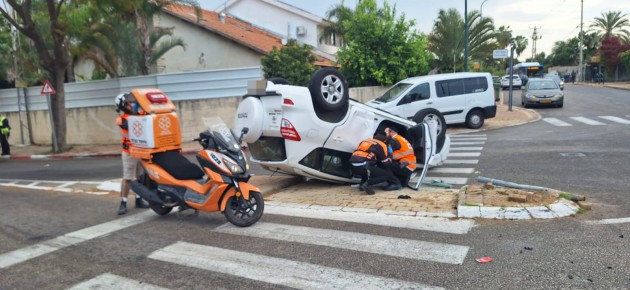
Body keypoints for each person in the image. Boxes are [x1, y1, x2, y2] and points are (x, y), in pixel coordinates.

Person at [115, 93, 149, 215]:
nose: (132, 105)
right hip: (129, 152)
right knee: (128, 178)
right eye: (128, 103)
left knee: (140, 177)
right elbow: (131, 126)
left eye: (133, 102)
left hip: (141, 151)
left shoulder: (140, 115)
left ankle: (139, 200)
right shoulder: (121, 119)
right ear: (122, 106)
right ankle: (123, 202)